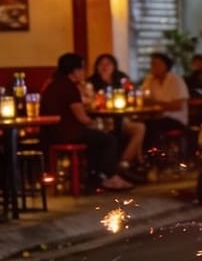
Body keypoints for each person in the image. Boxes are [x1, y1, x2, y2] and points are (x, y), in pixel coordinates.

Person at [39, 53, 134, 191]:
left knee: (96, 139)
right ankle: (109, 177)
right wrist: (96, 124)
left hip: (50, 133)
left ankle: (94, 179)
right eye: (82, 68)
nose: (83, 72)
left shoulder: (53, 84)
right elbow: (82, 118)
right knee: (109, 139)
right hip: (67, 133)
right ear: (74, 71)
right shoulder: (69, 87)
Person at [86, 52, 146, 180]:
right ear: (96, 67)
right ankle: (125, 167)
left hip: (121, 119)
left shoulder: (121, 79)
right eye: (101, 64)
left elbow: (132, 92)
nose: (105, 67)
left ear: (114, 66)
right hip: (101, 121)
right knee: (109, 132)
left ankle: (124, 163)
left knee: (139, 127)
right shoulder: (91, 82)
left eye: (108, 64)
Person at [141, 52, 189, 151]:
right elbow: (143, 99)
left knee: (151, 127)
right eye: (152, 64)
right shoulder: (150, 79)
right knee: (139, 126)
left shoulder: (175, 80)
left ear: (166, 66)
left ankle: (156, 154)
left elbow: (177, 105)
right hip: (154, 117)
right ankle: (142, 155)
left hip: (175, 119)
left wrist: (156, 103)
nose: (154, 67)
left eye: (157, 64)